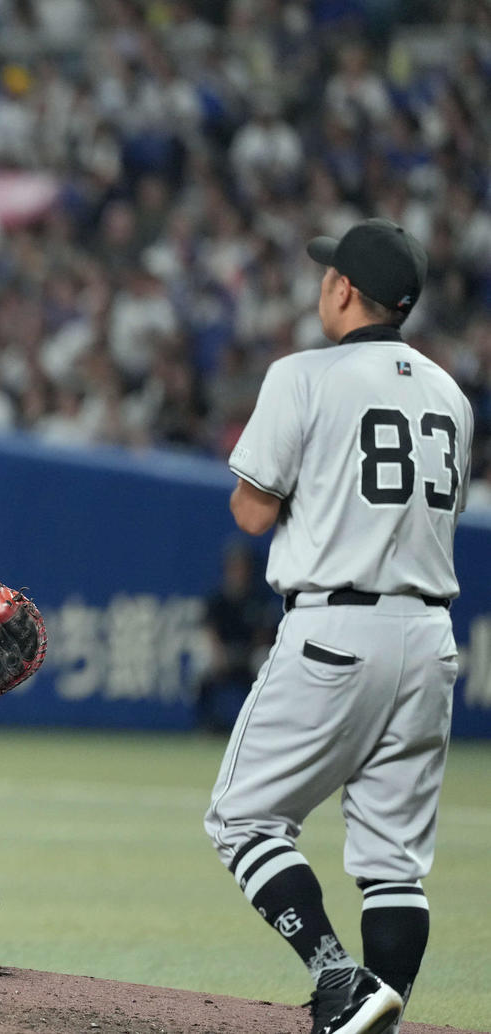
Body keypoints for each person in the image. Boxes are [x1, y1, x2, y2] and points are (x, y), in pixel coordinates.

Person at [204, 218, 472, 1034]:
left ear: (344, 289)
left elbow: (251, 512)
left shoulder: (304, 376)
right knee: (394, 863)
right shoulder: (451, 395)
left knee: (242, 819)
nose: (322, 283)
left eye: (328, 275)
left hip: (334, 632)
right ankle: (375, 1016)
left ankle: (338, 979)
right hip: (429, 639)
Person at [196, 540, 280, 733]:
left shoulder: (258, 598)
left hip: (249, 654)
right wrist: (219, 655)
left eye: (241, 566)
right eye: (233, 566)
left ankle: (264, 725)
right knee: (200, 663)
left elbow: (265, 634)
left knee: (265, 662)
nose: (238, 571)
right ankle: (206, 723)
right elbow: (210, 631)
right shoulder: (217, 599)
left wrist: (244, 655)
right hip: (223, 654)